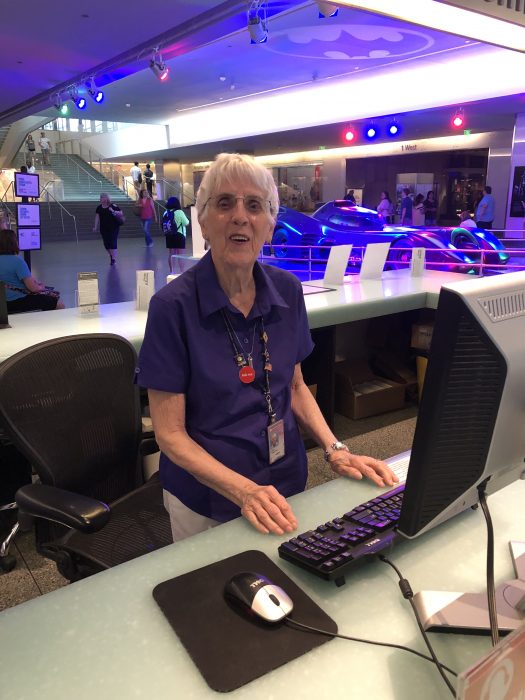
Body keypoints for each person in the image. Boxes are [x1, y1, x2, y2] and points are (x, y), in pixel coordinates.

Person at [137, 153, 396, 542]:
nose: (241, 216)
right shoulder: (172, 307)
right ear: (203, 222)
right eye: (225, 203)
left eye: (255, 205)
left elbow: (294, 388)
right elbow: (170, 435)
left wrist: (335, 448)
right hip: (208, 500)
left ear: (270, 226)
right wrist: (243, 491)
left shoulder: (287, 292)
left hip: (283, 482)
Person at [0, 229, 65, 313]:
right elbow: (33, 288)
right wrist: (41, 287)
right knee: (59, 304)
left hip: (2, 304)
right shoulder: (17, 261)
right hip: (16, 302)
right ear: (13, 243)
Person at [93, 192, 125, 265]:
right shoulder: (99, 208)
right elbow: (97, 217)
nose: (102, 199)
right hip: (104, 228)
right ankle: (111, 255)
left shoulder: (112, 205)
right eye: (101, 197)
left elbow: (121, 213)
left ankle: (113, 259)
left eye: (104, 197)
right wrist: (95, 226)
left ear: (107, 198)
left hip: (114, 227)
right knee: (106, 244)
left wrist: (113, 211)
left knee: (113, 242)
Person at [162, 196, 189, 273]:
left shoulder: (165, 212)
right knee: (181, 255)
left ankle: (172, 271)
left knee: (171, 254)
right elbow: (186, 223)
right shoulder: (179, 212)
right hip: (179, 235)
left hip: (169, 235)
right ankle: (182, 272)